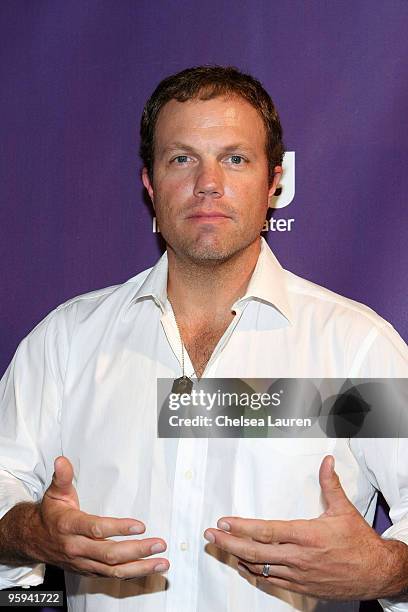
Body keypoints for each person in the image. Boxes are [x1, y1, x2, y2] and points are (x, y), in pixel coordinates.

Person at [0, 65, 407, 612]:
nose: (208, 183)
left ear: (274, 182)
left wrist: (384, 569)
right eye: (182, 158)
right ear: (149, 183)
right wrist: (32, 534)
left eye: (234, 158)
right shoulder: (68, 342)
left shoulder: (354, 348)